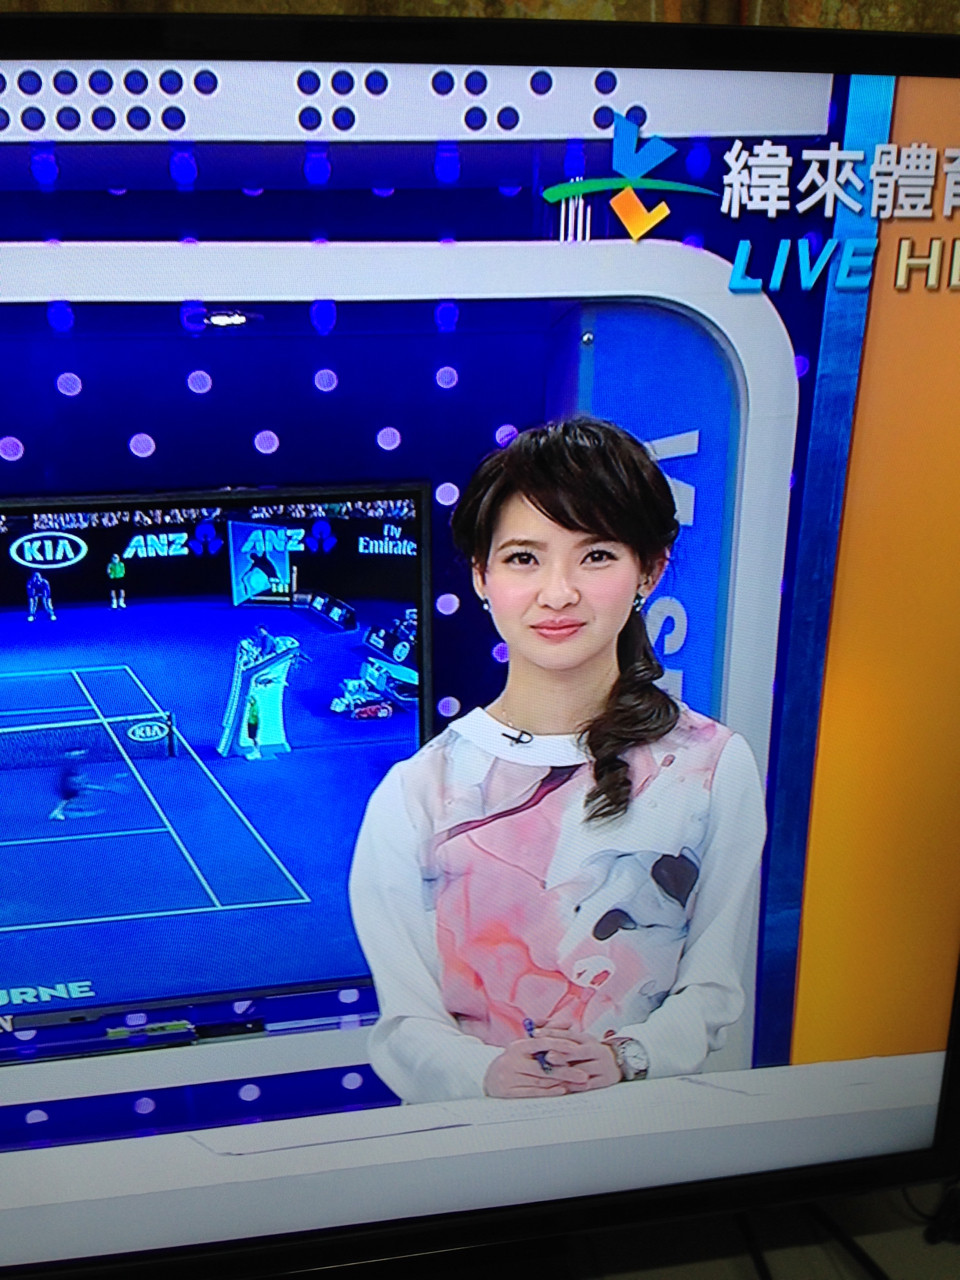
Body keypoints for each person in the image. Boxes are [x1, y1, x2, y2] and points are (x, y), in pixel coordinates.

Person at [349, 417, 766, 1104]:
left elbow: (713, 990)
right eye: (524, 559)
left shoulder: (714, 767)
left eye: (596, 555)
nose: (558, 592)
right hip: (475, 1151)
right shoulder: (417, 792)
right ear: (481, 576)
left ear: (650, 569)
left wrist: (627, 1056)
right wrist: (486, 1072)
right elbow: (405, 1027)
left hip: (656, 1139)